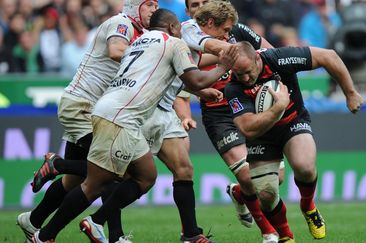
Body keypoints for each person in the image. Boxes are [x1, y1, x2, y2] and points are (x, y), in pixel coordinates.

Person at [31, 8, 238, 243]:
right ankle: (48, 235)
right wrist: (223, 67)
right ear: (171, 27)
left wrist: (200, 89)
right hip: (122, 116)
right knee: (95, 183)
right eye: (178, 28)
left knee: (145, 176)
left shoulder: (140, 43)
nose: (182, 33)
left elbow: (164, 77)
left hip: (110, 108)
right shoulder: (173, 42)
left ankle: (93, 220)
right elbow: (195, 78)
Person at [17, 1, 159, 242]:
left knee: (76, 180)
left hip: (93, 108)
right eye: (149, 4)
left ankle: (33, 221)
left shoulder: (141, 33)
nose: (154, 9)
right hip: (84, 107)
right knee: (111, 171)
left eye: (157, 4)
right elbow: (116, 50)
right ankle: (114, 235)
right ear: (135, 6)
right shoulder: (121, 23)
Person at [224, 41, 363, 242]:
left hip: (293, 123)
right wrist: (278, 107)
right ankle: (286, 236)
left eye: (247, 71)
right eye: (239, 74)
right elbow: (247, 128)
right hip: (261, 136)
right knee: (266, 194)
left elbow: (329, 56)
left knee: (305, 166)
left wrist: (350, 93)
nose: (245, 78)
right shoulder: (233, 88)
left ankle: (308, 206)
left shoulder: (279, 58)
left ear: (256, 58)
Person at [180, 1, 285, 242]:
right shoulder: (184, 37)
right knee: (249, 176)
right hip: (219, 114)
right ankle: (269, 232)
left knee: (274, 178)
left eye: (204, 2)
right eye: (194, 4)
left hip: (249, 105)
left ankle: (239, 194)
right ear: (188, 12)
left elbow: (268, 54)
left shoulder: (235, 30)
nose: (200, 7)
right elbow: (184, 76)